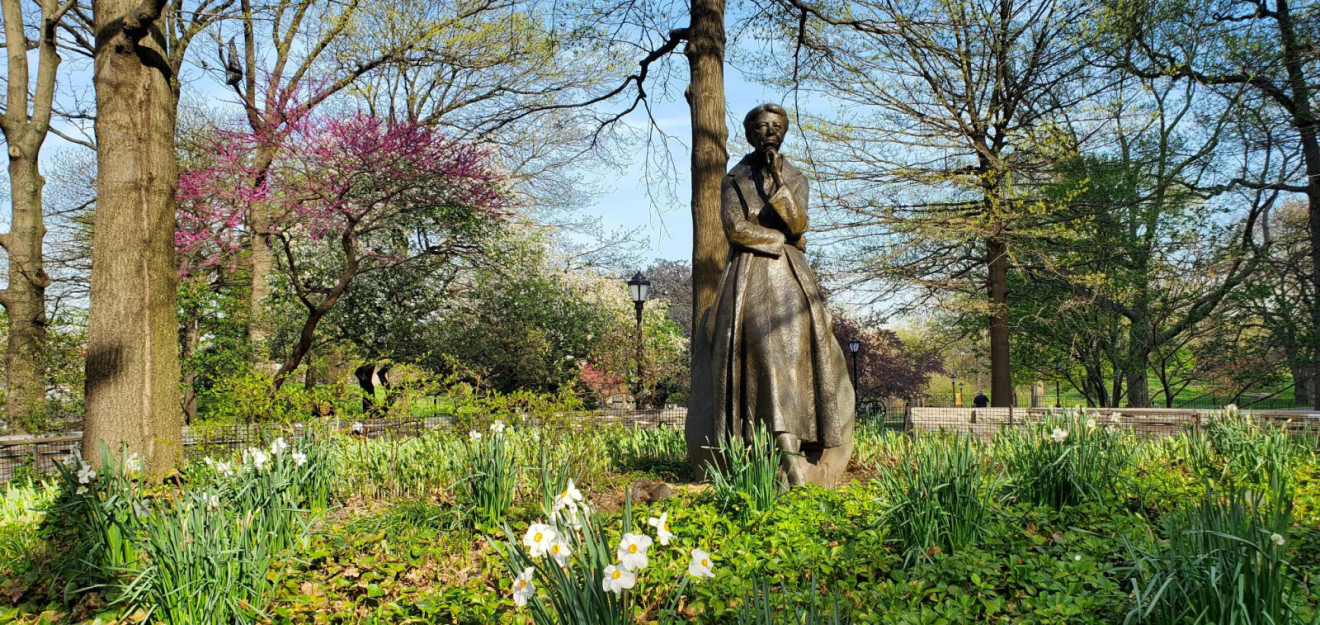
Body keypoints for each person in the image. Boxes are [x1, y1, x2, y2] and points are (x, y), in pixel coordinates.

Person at [687, 104, 854, 487]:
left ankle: (795, 454)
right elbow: (735, 230)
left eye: (776, 126)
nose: (769, 132)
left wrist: (780, 186)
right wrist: (782, 238)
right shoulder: (733, 179)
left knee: (797, 359)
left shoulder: (795, 177)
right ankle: (774, 451)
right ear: (749, 135)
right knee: (762, 356)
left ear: (784, 132)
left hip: (792, 278)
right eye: (761, 127)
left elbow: (799, 222)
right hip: (748, 276)